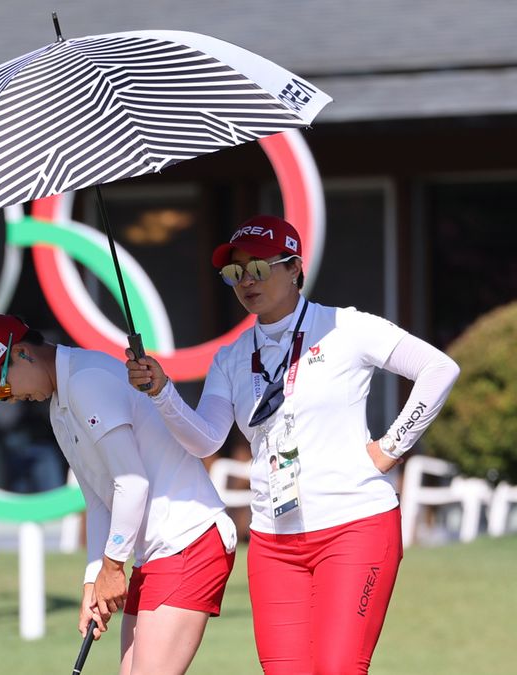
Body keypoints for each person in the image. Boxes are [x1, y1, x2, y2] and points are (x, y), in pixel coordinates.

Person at [126, 215, 460, 674]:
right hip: (272, 541)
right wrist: (163, 391)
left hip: (354, 527)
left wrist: (390, 448)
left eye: (259, 268)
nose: (246, 281)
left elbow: (439, 369)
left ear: (295, 269)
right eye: (235, 272)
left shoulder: (346, 327)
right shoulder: (232, 356)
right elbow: (206, 440)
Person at [0, 314, 237, 675]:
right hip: (154, 554)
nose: (8, 400)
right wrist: (93, 579)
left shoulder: (85, 381)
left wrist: (112, 567)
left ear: (24, 354)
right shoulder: (59, 408)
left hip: (188, 541)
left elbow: (132, 482)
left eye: (3, 388)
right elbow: (98, 500)